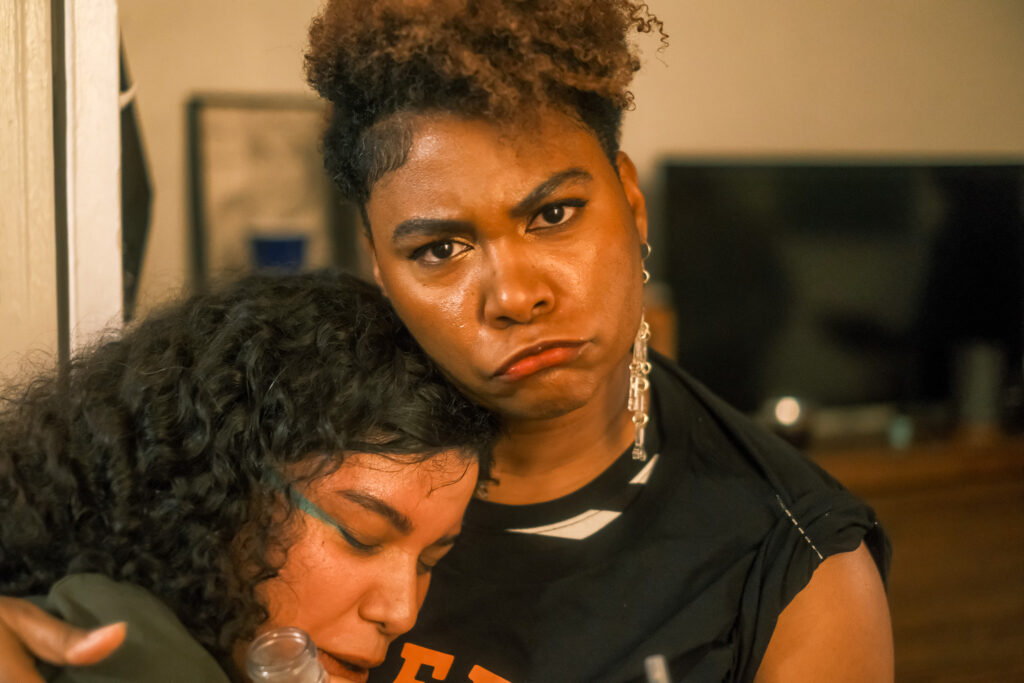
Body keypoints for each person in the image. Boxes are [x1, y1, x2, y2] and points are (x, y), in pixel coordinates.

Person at [2, 1, 894, 681]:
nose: (514, 295)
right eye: (440, 249)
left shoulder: (793, 562)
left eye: (554, 214)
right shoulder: (283, 436)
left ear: (631, 203)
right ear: (380, 265)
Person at [0, 270, 499, 682]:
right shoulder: (121, 642)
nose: (400, 612)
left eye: (429, 561)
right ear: (217, 487)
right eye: (360, 536)